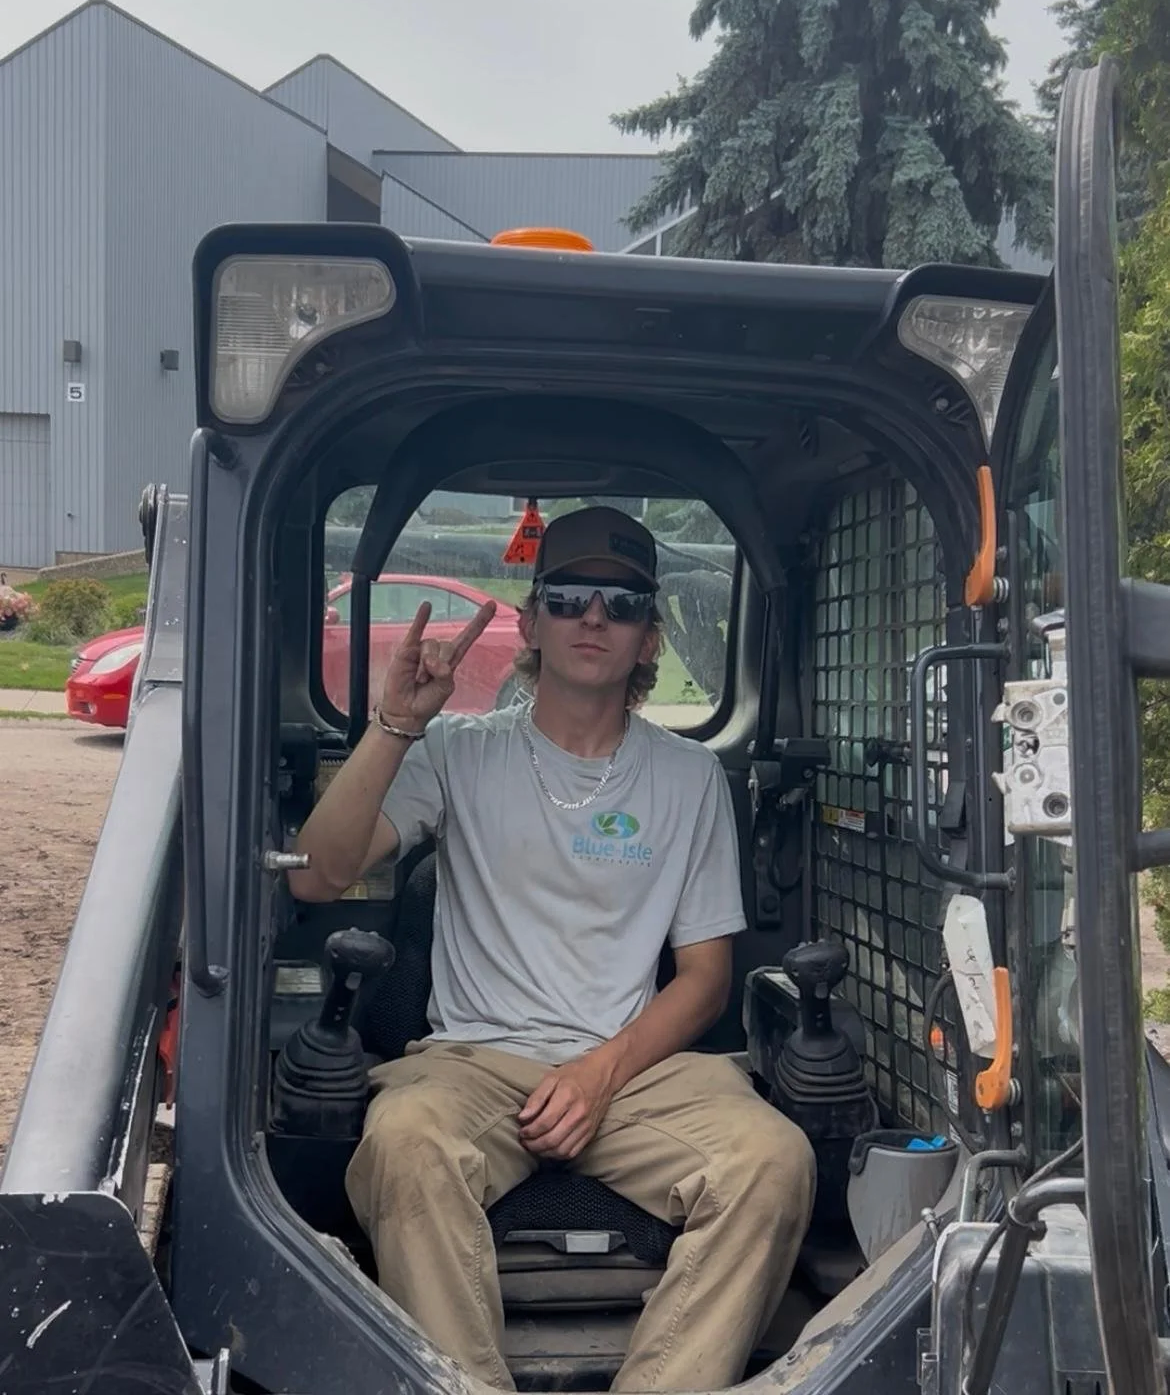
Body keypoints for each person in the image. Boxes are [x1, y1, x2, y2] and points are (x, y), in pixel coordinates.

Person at [290, 505, 815, 1392]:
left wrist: (597, 1075)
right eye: (569, 597)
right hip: (474, 1061)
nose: (593, 617)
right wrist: (394, 724)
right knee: (404, 1145)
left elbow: (705, 981)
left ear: (650, 635)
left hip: (632, 1073)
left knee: (775, 1162)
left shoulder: (688, 779)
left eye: (621, 601)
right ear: (531, 621)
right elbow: (314, 875)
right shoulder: (459, 752)